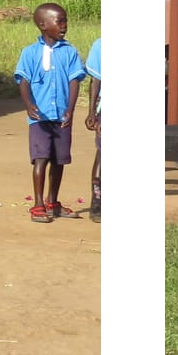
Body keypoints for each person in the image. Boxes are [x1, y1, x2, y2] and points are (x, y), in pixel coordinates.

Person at [13, 3, 86, 223]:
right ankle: (38, 205)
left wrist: (70, 110)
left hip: (62, 116)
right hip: (40, 118)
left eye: (65, 21)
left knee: (59, 160)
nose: (64, 26)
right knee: (41, 159)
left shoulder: (70, 51)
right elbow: (23, 81)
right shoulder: (30, 52)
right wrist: (29, 104)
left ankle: (53, 202)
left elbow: (74, 81)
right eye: (59, 21)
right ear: (43, 25)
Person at [81, 37, 104, 220]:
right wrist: (92, 113)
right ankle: (97, 203)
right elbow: (95, 80)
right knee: (102, 155)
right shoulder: (101, 45)